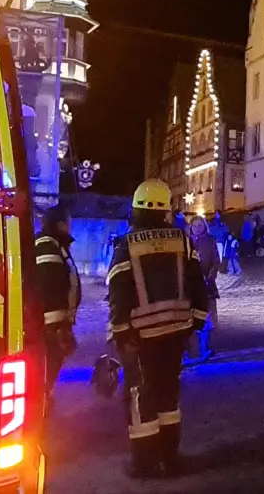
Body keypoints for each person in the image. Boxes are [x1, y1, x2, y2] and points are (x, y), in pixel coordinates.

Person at [108, 180, 209, 478]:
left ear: (137, 208)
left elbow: (119, 290)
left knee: (141, 396)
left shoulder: (127, 244)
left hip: (142, 336)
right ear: (166, 209)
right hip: (176, 330)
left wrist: (120, 331)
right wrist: (197, 321)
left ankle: (145, 464)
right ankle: (170, 457)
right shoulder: (182, 239)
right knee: (168, 392)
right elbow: (196, 283)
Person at [34, 205, 80, 403]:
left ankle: (43, 398)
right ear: (60, 224)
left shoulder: (54, 244)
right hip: (50, 325)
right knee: (45, 369)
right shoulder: (47, 246)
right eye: (68, 223)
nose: (70, 227)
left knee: (48, 370)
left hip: (54, 324)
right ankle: (40, 401)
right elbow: (48, 284)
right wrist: (59, 326)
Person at [186, 215, 220, 360]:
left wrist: (210, 277)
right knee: (187, 317)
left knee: (206, 316)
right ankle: (187, 351)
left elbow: (216, 261)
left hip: (206, 285)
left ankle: (204, 347)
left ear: (204, 226)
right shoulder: (186, 241)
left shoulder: (210, 240)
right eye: (195, 226)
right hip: (190, 286)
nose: (197, 228)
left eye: (200, 225)